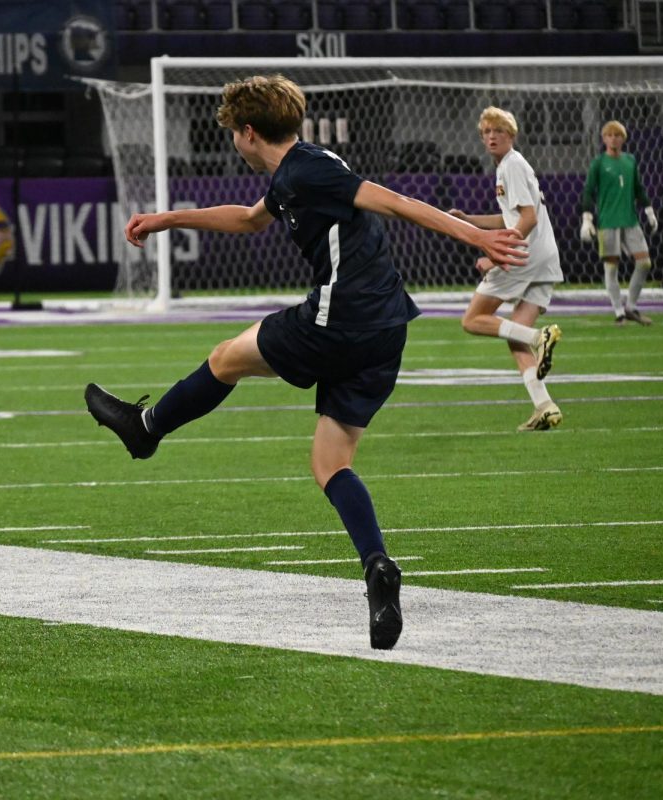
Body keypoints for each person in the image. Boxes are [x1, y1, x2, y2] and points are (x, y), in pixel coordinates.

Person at [83, 75, 528, 651]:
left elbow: (393, 201)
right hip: (385, 329)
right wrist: (169, 219)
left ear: (248, 132)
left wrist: (476, 237)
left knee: (225, 358)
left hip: (340, 317)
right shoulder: (299, 168)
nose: (234, 145)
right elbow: (248, 219)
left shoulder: (306, 170)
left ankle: (145, 431)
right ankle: (378, 567)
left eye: (233, 135)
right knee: (330, 462)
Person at [448, 107, 564, 433]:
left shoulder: (511, 166)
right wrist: (470, 220)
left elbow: (528, 219)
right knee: (514, 337)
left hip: (523, 257)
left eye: (498, 130)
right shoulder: (511, 167)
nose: (491, 136)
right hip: (544, 259)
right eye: (486, 132)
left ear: (511, 135)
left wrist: (498, 255)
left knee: (472, 320)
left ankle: (540, 337)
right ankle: (545, 406)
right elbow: (509, 218)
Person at [580, 120, 658, 326]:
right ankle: (618, 312)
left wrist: (649, 211)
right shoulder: (598, 163)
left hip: (630, 221)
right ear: (604, 138)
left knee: (644, 263)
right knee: (611, 269)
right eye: (610, 135)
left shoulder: (630, 161)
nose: (613, 138)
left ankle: (631, 306)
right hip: (608, 223)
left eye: (618, 135)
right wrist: (587, 219)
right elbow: (588, 191)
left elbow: (639, 188)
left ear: (623, 138)